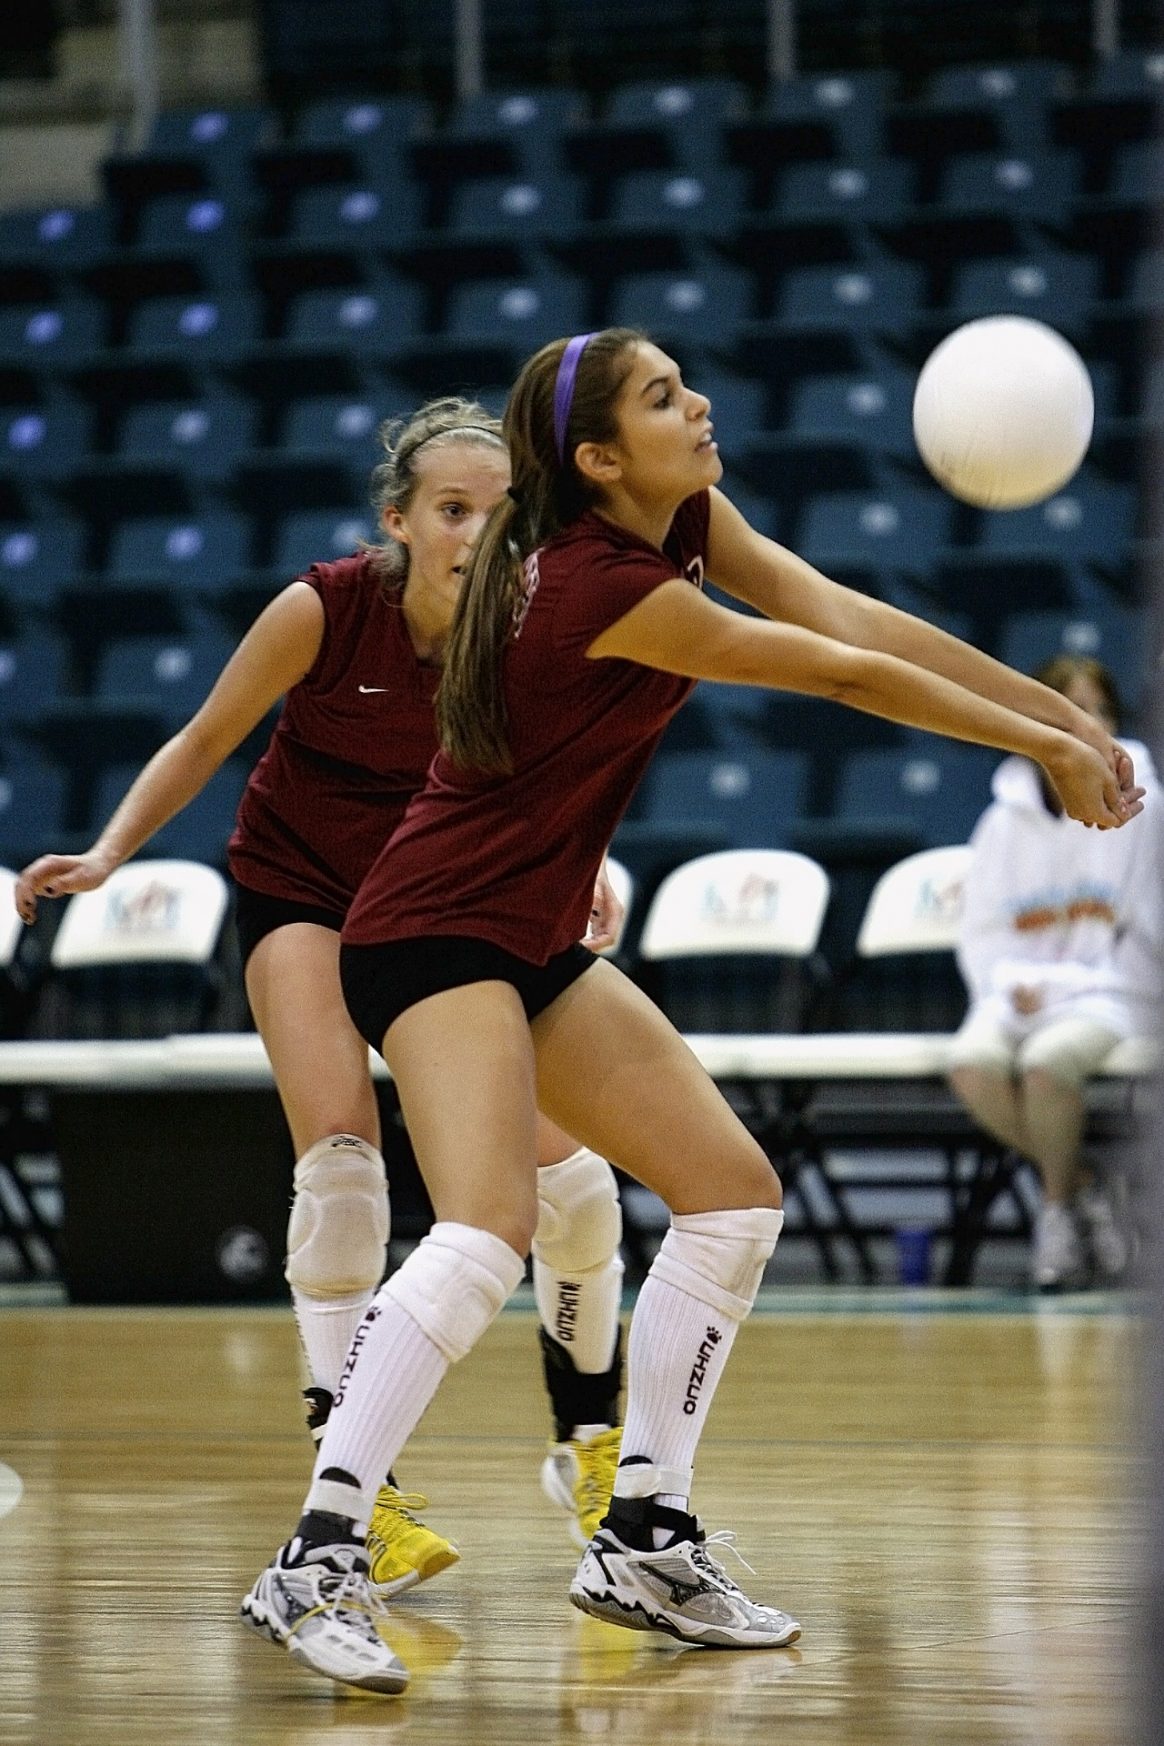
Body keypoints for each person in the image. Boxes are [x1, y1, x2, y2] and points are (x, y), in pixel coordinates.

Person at [236, 328, 1143, 1696]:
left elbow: (855, 616)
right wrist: (1045, 742)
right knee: (484, 1227)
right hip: (429, 928)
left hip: (525, 932)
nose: (702, 401)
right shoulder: (608, 582)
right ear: (599, 460)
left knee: (730, 1192)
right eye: (664, 397)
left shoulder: (686, 523)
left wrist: (1074, 735)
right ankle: (318, 1551)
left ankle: (644, 1537)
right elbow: (839, 676)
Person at [13, 396, 629, 1588]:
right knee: (343, 1171)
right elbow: (203, 739)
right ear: (396, 521)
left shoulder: (528, 631)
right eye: (451, 509)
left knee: (575, 1185)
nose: (475, 532)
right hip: (303, 895)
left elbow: (552, 781)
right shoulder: (325, 607)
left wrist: (588, 864)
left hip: (450, 911)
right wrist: (108, 855)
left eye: (501, 513)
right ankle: (360, 1488)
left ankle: (590, 1440)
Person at [947, 655, 1164, 1292]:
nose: (1089, 722)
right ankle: (1083, 1186)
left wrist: (1073, 985)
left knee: (1045, 1066)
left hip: (1115, 990)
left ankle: (1054, 1217)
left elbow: (1146, 930)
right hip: (1020, 988)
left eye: (1100, 708)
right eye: (1072, 707)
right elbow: (981, 932)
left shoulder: (1148, 808)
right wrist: (1008, 985)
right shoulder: (1000, 820)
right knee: (972, 1065)